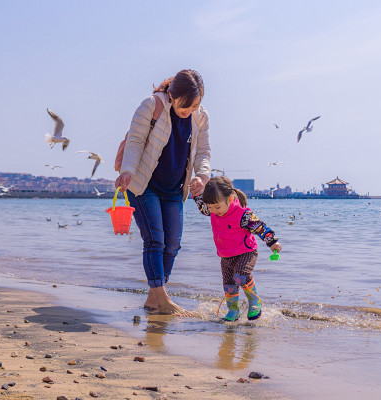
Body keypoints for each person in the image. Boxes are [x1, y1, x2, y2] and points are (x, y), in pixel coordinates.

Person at [115, 69, 211, 315]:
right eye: (184, 106)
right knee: (155, 241)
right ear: (172, 94)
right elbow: (135, 142)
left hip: (174, 189)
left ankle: (153, 298)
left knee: (173, 245)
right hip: (142, 185)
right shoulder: (151, 106)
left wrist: (202, 175)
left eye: (195, 105)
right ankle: (163, 299)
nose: (189, 110)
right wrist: (127, 171)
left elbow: (203, 153)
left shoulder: (200, 117)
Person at [195, 176, 282, 322]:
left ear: (229, 199)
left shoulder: (242, 215)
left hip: (246, 253)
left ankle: (255, 302)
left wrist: (272, 241)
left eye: (217, 207)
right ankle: (233, 311)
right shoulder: (212, 210)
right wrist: (196, 193)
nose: (213, 211)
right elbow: (203, 208)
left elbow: (260, 227)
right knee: (229, 286)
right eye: (210, 207)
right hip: (226, 256)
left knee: (241, 276)